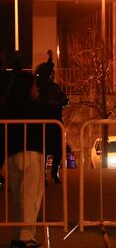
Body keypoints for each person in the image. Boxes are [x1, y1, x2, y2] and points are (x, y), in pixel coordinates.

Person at [4, 51, 48, 248]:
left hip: (13, 154)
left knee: (18, 198)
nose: (36, 88)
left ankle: (17, 235)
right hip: (31, 153)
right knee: (31, 195)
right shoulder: (33, 107)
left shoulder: (9, 108)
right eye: (34, 86)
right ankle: (25, 237)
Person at [34, 51, 67, 185]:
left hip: (56, 120)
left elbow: (64, 98)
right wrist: (51, 59)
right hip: (46, 121)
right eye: (50, 72)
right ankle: (43, 177)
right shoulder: (41, 84)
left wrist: (62, 102)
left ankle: (54, 173)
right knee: (44, 150)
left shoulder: (55, 87)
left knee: (58, 150)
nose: (52, 74)